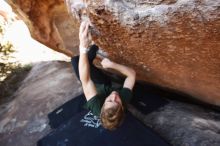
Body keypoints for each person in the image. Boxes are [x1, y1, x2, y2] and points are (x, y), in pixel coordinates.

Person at [71, 21, 136, 130]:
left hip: (94, 85)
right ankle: (96, 45)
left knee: (75, 61)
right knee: (80, 62)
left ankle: (92, 49)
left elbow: (86, 81)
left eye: (109, 100)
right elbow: (132, 75)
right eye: (117, 101)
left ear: (102, 106)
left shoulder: (96, 106)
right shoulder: (123, 100)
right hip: (103, 83)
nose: (114, 96)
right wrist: (112, 65)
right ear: (122, 108)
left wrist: (83, 46)